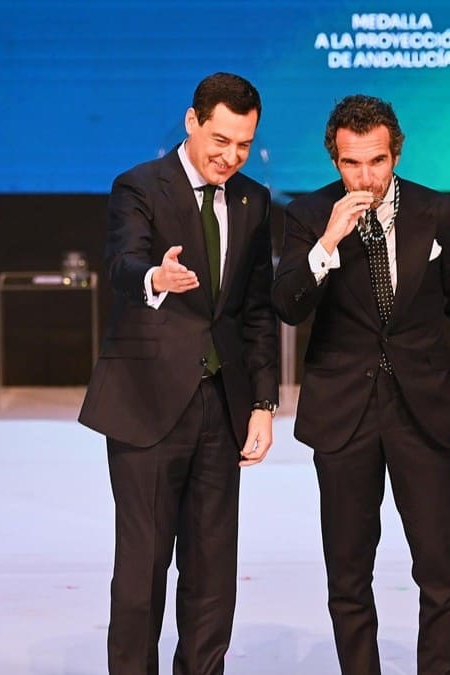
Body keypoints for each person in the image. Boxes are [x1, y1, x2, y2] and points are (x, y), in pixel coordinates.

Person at [272, 94, 450, 675]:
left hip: (420, 408)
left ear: (395, 152)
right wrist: (326, 244)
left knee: (441, 567)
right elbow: (288, 306)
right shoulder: (307, 214)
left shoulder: (439, 212)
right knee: (347, 573)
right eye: (351, 163)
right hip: (343, 412)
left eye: (376, 161)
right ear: (335, 160)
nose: (365, 177)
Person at [78, 72, 279, 675]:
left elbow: (257, 309)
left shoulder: (253, 201)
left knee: (213, 571)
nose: (230, 156)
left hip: (222, 405)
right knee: (141, 572)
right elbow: (121, 260)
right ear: (192, 122)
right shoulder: (139, 185)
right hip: (146, 405)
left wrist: (264, 404)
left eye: (243, 145)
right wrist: (153, 279)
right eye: (220, 140)